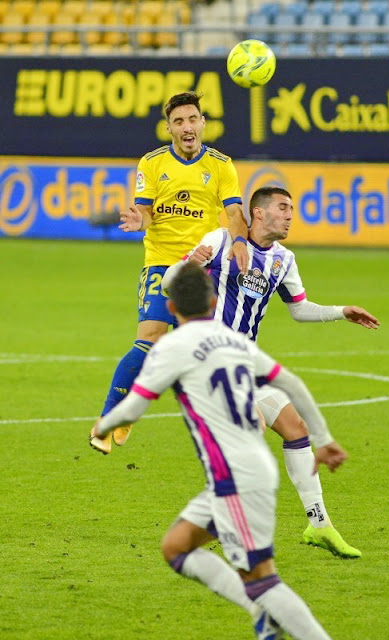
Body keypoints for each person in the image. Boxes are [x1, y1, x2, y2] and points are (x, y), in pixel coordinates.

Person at [92, 262, 334, 640]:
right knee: (176, 547)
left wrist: (103, 424)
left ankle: (279, 617)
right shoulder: (234, 340)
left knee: (262, 578)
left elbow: (134, 407)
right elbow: (290, 382)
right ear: (214, 301)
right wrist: (324, 438)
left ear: (171, 309)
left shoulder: (171, 346)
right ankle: (260, 612)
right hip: (243, 470)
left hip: (234, 476)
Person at [161, 186, 380, 559]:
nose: (290, 215)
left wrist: (340, 311)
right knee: (253, 430)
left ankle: (319, 524)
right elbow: (168, 284)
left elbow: (299, 309)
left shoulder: (284, 259)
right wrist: (189, 267)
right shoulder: (219, 240)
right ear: (258, 214)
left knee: (296, 429)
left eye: (292, 208)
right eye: (283, 207)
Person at [89, 91, 249, 455]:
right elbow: (145, 212)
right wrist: (138, 219)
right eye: (179, 121)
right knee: (149, 338)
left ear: (203, 123)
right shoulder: (152, 163)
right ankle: (109, 419)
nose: (187, 127)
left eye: (192, 119)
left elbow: (235, 213)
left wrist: (239, 242)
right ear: (169, 128)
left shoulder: (222, 165)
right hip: (162, 262)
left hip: (202, 270)